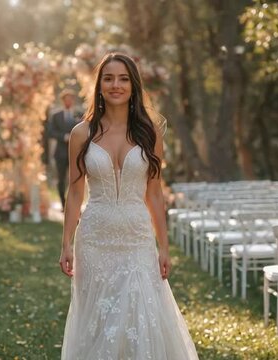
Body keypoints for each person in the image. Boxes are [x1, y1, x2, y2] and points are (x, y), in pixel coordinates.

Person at [58, 53, 199, 359]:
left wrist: (164, 246)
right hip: (94, 239)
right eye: (108, 78)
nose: (115, 85)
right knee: (98, 320)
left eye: (123, 78)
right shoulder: (81, 134)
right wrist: (66, 243)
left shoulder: (150, 131)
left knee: (140, 317)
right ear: (99, 85)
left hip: (137, 239)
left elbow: (155, 192)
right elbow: (74, 191)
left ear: (133, 86)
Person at [47, 89, 80, 210]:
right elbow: (51, 132)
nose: (68, 101)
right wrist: (64, 136)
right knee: (61, 179)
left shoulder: (79, 114)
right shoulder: (56, 116)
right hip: (60, 153)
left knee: (75, 179)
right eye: (66, 99)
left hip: (75, 153)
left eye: (71, 99)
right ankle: (63, 204)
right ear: (63, 100)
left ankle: (75, 205)